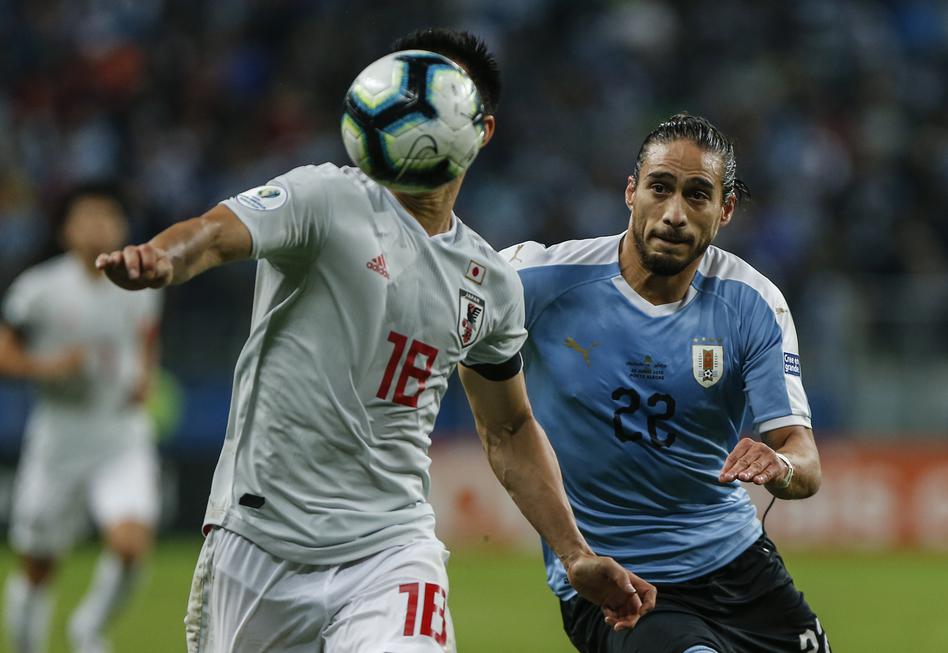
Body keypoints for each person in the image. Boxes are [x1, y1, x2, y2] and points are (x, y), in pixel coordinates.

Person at [95, 28, 656, 653]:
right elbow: (216, 233)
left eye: (440, 92)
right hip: (259, 540)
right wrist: (161, 259)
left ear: (481, 130)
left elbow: (509, 429)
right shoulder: (327, 197)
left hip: (392, 549)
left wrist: (574, 553)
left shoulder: (490, 283)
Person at [503, 113, 830, 653]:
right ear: (631, 192)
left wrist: (782, 466)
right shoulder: (537, 281)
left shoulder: (753, 303)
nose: (675, 213)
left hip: (738, 567)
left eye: (698, 195)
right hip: (619, 585)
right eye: (660, 188)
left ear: (724, 210)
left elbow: (806, 461)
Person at [0, 182, 162, 653]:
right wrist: (49, 367)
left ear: (122, 226)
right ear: (67, 230)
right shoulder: (38, 289)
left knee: (130, 545)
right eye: (88, 217)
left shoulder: (142, 284)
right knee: (38, 565)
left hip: (120, 434)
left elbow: (145, 339)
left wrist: (145, 376)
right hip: (59, 436)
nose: (99, 226)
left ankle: (89, 628)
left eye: (108, 216)